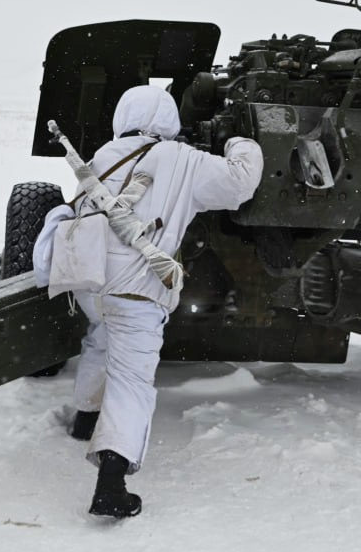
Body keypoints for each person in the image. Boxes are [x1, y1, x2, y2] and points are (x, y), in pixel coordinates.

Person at [34, 85, 263, 518]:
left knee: (100, 339)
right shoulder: (183, 160)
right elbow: (239, 184)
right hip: (137, 289)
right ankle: (111, 481)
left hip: (90, 283)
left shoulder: (102, 156)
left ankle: (85, 417)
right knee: (132, 381)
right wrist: (240, 138)